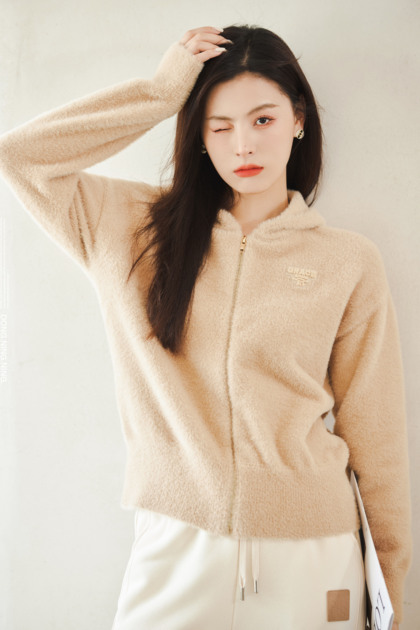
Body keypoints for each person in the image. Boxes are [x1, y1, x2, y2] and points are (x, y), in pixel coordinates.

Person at [0, 24, 411, 630]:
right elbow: (22, 157)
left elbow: (378, 438)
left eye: (263, 120)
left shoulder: (347, 262)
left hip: (312, 556)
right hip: (177, 550)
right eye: (219, 127)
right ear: (198, 134)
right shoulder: (130, 229)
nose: (243, 144)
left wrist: (393, 588)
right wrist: (160, 93)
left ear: (298, 119)